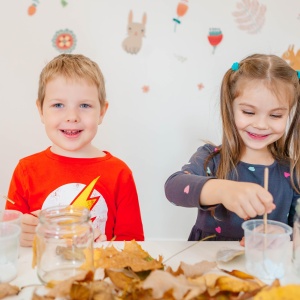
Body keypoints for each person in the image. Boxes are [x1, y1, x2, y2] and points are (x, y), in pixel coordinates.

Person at [6, 54, 144, 246]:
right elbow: (11, 238)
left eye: (85, 105)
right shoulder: (26, 170)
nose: (72, 116)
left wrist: (102, 247)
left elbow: (132, 246)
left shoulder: (120, 174)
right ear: (41, 110)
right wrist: (20, 234)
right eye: (58, 105)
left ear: (102, 112)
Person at [165, 54, 300, 243]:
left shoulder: (293, 173)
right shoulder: (210, 158)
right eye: (249, 112)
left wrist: (282, 237)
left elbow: (298, 229)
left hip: (264, 269)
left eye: (276, 115)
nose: (261, 124)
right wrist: (222, 190)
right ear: (231, 107)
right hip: (207, 268)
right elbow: (173, 189)